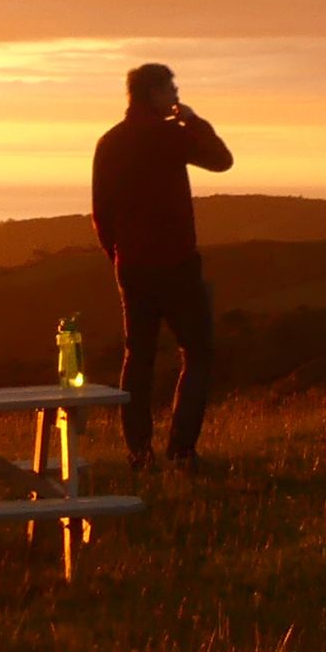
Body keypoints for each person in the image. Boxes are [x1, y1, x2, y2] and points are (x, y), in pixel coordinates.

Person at [91, 61, 234, 465]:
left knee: (138, 358)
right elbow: (222, 160)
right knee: (198, 353)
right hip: (177, 263)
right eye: (170, 88)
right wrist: (192, 120)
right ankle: (181, 448)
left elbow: (101, 210)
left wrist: (117, 255)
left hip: (132, 266)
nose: (175, 94)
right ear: (153, 93)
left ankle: (139, 451)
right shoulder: (170, 136)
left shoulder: (110, 142)